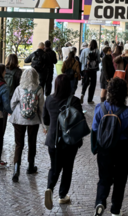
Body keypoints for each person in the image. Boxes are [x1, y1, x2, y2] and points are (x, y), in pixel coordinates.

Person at [92, 78, 128, 216]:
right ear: (125, 93)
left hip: (104, 148)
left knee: (104, 178)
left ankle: (100, 202)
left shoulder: (100, 108)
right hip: (122, 149)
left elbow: (95, 128)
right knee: (120, 181)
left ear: (109, 91)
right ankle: (115, 211)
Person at [43, 74, 85, 209]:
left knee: (54, 167)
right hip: (69, 141)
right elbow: (80, 120)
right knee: (68, 168)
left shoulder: (49, 99)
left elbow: (46, 120)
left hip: (53, 140)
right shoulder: (74, 101)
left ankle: (49, 188)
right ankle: (62, 195)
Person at [9, 68, 45, 182]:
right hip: (33, 121)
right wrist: (44, 124)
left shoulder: (19, 88)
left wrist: (18, 111)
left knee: (19, 144)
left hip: (18, 120)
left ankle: (16, 169)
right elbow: (41, 108)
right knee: (32, 142)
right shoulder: (39, 89)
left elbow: (12, 104)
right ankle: (30, 166)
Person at [80, 40, 100, 104]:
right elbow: (99, 60)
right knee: (92, 85)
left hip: (86, 69)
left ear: (90, 44)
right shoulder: (97, 51)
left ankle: (82, 94)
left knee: (85, 83)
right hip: (93, 70)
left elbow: (81, 60)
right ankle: (90, 100)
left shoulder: (84, 50)